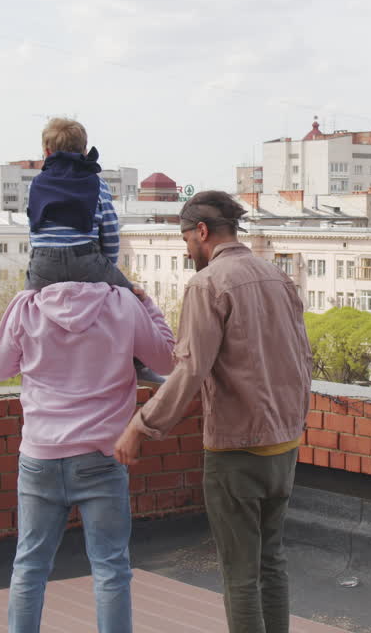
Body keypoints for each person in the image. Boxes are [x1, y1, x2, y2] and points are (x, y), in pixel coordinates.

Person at [115, 190, 313, 633]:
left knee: (240, 575)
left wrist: (140, 426)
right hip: (285, 444)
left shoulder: (207, 284)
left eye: (185, 239)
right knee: (272, 562)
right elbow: (302, 360)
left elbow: (190, 370)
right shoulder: (278, 278)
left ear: (201, 232)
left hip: (237, 450)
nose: (186, 250)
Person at [0, 279, 175, 633]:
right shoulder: (122, 303)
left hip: (40, 456)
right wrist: (147, 304)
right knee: (111, 570)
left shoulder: (27, 305)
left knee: (29, 567)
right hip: (100, 457)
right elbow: (167, 359)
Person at [25, 116, 162, 384]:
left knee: (28, 309)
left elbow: (35, 228)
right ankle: (139, 364)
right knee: (132, 300)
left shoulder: (36, 183)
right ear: (85, 151)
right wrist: (107, 268)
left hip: (43, 262)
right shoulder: (96, 184)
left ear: (47, 151)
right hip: (85, 258)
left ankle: (34, 363)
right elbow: (110, 228)